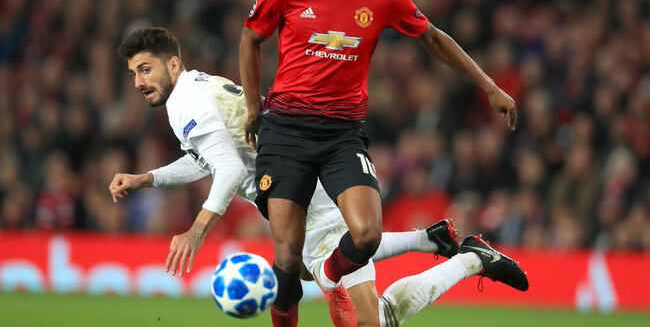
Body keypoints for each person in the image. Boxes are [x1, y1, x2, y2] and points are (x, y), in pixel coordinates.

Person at [110, 27, 528, 327]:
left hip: (309, 196)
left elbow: (230, 169)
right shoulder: (195, 89)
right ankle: (432, 240)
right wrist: (147, 178)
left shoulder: (186, 103)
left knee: (368, 319)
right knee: (317, 275)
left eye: (146, 70)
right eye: (133, 74)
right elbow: (211, 160)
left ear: (173, 64)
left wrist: (196, 230)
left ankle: (472, 259)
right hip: (300, 194)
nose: (139, 82)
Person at [239, 0, 526, 325]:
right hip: (286, 131)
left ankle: (333, 278)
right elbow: (250, 39)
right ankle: (422, 256)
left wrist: (489, 86)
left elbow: (433, 38)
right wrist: (253, 106)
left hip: (342, 135)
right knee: (286, 261)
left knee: (368, 234)